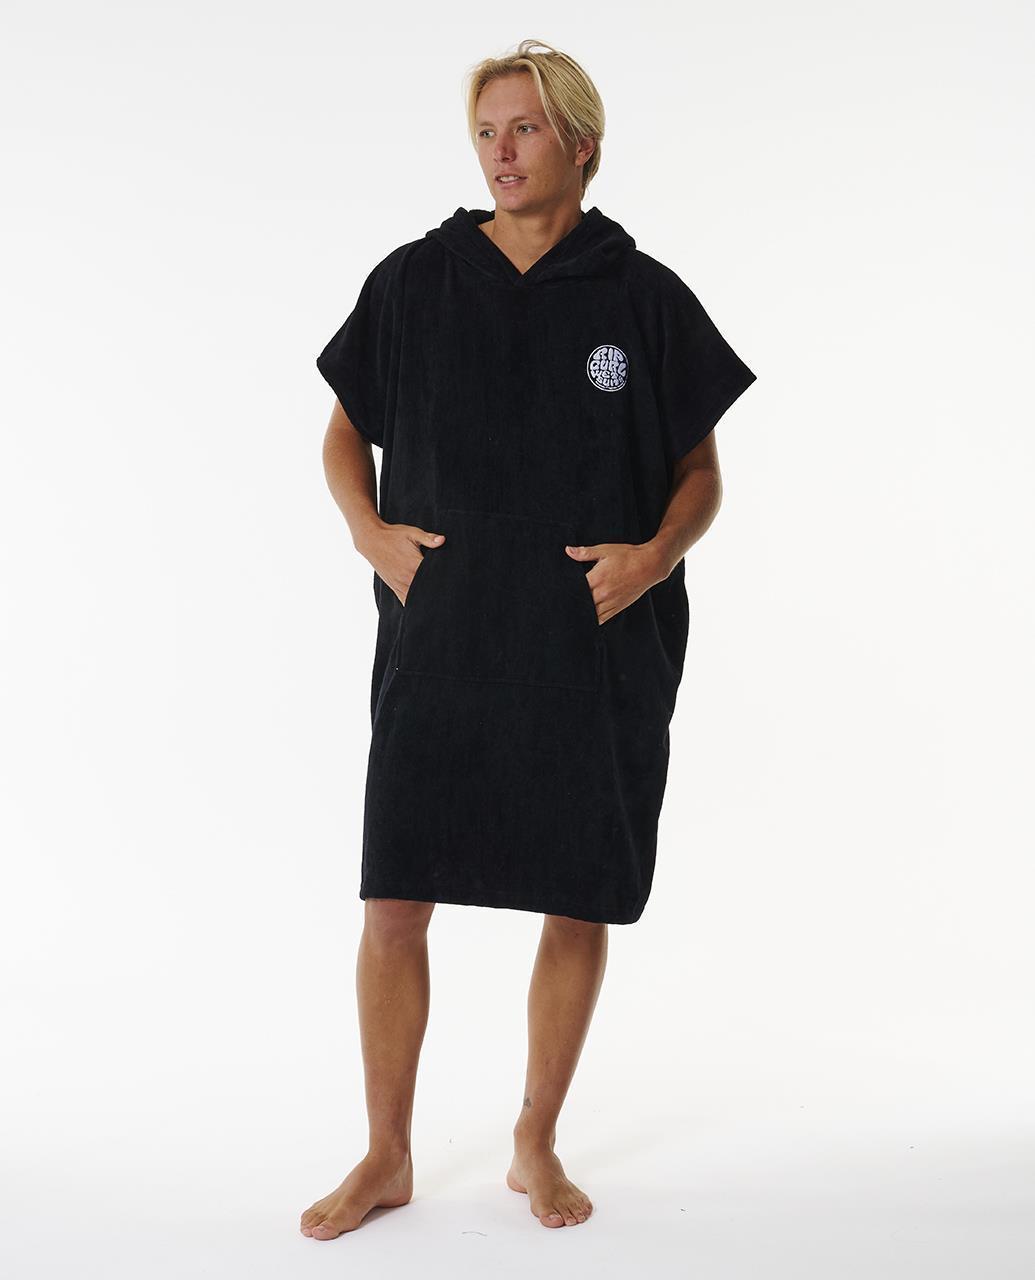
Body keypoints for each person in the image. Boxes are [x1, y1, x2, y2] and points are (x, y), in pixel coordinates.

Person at [302, 38, 757, 1239]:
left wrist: (655, 555)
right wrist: (368, 531)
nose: (500, 152)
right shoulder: (417, 280)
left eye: (525, 129)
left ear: (580, 144)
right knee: (394, 898)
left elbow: (702, 473)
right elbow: (344, 431)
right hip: (441, 643)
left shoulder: (641, 296)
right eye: (486, 132)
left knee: (577, 895)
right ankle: (387, 1152)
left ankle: (534, 1137)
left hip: (587, 648)